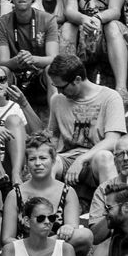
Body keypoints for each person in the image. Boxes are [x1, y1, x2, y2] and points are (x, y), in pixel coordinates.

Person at [45, 52, 123, 194]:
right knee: (47, 162)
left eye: (62, 87)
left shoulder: (110, 97)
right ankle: (45, 212)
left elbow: (113, 140)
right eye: (55, 86)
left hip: (96, 158)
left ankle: (110, 210)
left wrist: (82, 159)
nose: (59, 91)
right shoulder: (57, 100)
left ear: (77, 79)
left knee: (104, 157)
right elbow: (53, 136)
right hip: (67, 157)